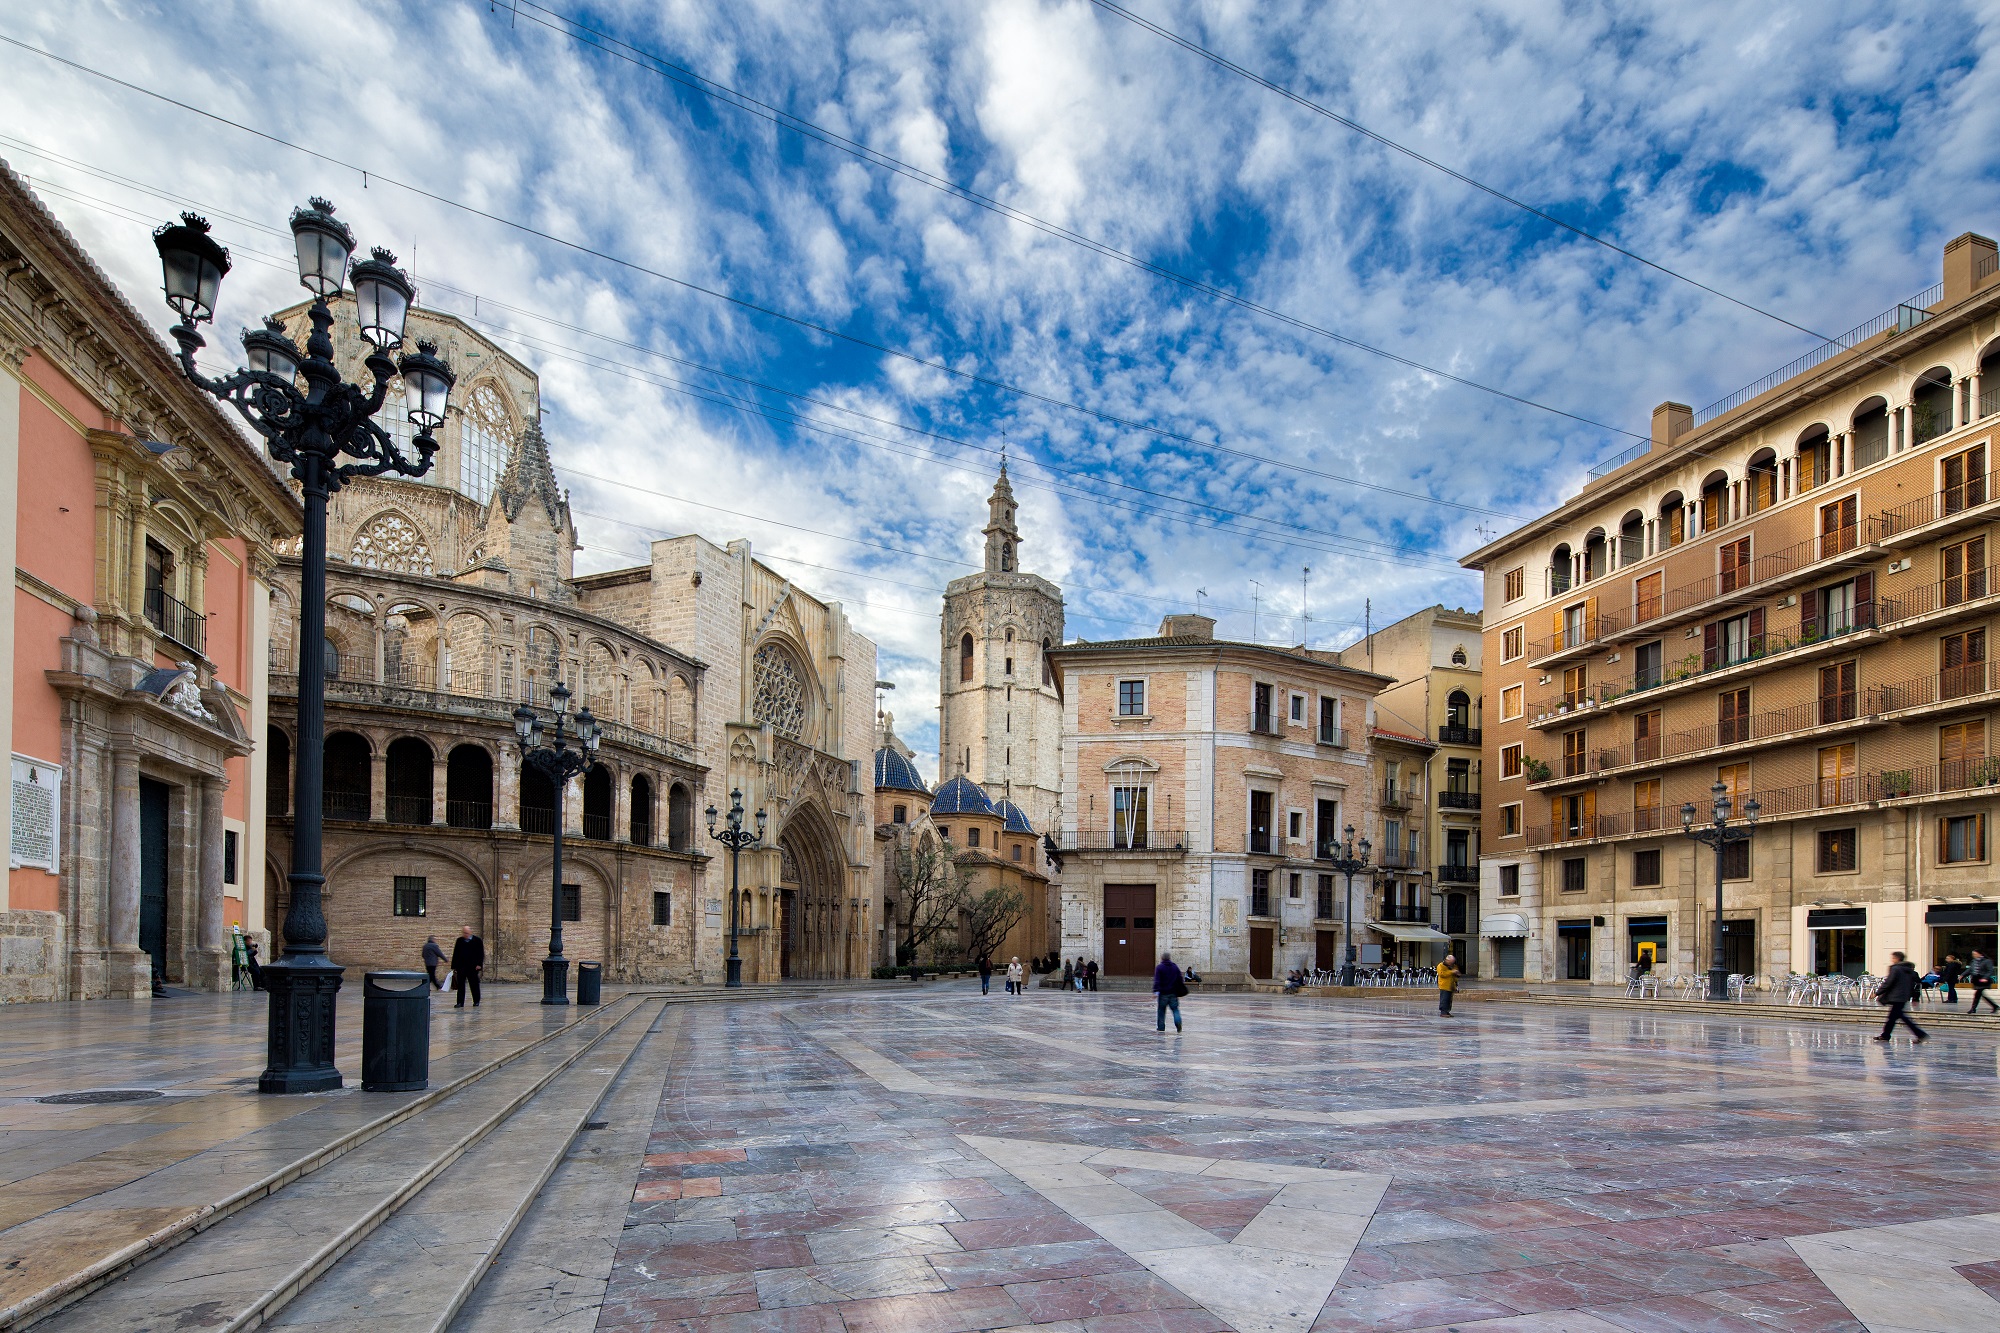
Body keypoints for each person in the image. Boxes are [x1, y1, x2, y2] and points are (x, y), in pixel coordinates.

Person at [1873, 951, 1927, 1043]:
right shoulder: (1909, 970)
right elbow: (1913, 984)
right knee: (1893, 1017)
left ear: (1897, 959)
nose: (1892, 960)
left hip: (1896, 996)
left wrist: (1877, 993)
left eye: (1893, 958)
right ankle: (1885, 1035)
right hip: (1903, 996)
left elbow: (1889, 982)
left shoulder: (1896, 969)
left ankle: (1920, 1034)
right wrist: (1914, 997)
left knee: (1901, 1017)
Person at [449, 924, 485, 1009]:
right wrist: (454, 966)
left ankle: (476, 1001)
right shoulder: (459, 941)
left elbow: (481, 953)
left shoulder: (477, 941)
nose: (466, 935)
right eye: (464, 933)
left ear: (470, 932)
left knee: (474, 984)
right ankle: (460, 1002)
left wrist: (479, 964)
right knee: (461, 985)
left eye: (467, 933)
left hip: (473, 967)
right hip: (461, 967)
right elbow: (456, 953)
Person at [1153, 950, 1186, 1032]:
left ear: (1162, 958)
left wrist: (1156, 991)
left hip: (1163, 993)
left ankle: (1161, 1027)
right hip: (1173, 993)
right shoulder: (1175, 967)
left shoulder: (1159, 967)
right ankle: (1178, 1022)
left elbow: (1157, 980)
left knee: (1161, 1010)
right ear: (1169, 958)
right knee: (1175, 1009)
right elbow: (1180, 978)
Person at [1970, 950, 1998, 1015]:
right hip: (1977, 980)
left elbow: (1990, 971)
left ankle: (1973, 1009)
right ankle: (1994, 1006)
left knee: (1977, 994)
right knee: (1979, 994)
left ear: (1980, 954)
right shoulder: (1974, 961)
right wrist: (1963, 975)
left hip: (1984, 981)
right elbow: (1970, 969)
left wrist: (1985, 978)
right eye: (1973, 954)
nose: (1974, 955)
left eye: (1975, 954)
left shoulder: (1987, 961)